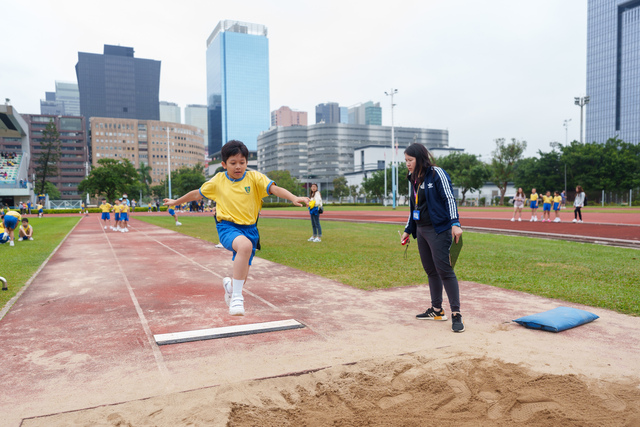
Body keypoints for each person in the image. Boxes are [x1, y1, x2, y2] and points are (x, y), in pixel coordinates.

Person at [163, 140, 309, 316]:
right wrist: (176, 202)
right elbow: (197, 194)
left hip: (250, 229)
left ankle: (230, 287)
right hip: (227, 227)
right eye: (233, 163)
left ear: (247, 163)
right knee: (245, 246)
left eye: (242, 162)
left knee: (242, 276)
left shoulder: (255, 178)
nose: (238, 167)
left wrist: (293, 197)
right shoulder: (218, 181)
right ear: (224, 164)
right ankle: (237, 299)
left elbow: (274, 189)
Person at [401, 143, 465, 333]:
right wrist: (408, 229)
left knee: (444, 270)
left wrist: (455, 223)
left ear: (420, 158)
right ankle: (437, 310)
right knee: (430, 271)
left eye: (410, 160)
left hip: (439, 230)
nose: (407, 164)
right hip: (421, 230)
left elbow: (449, 198)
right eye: (405, 161)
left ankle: (456, 313)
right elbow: (414, 207)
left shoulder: (437, 173)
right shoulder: (413, 178)